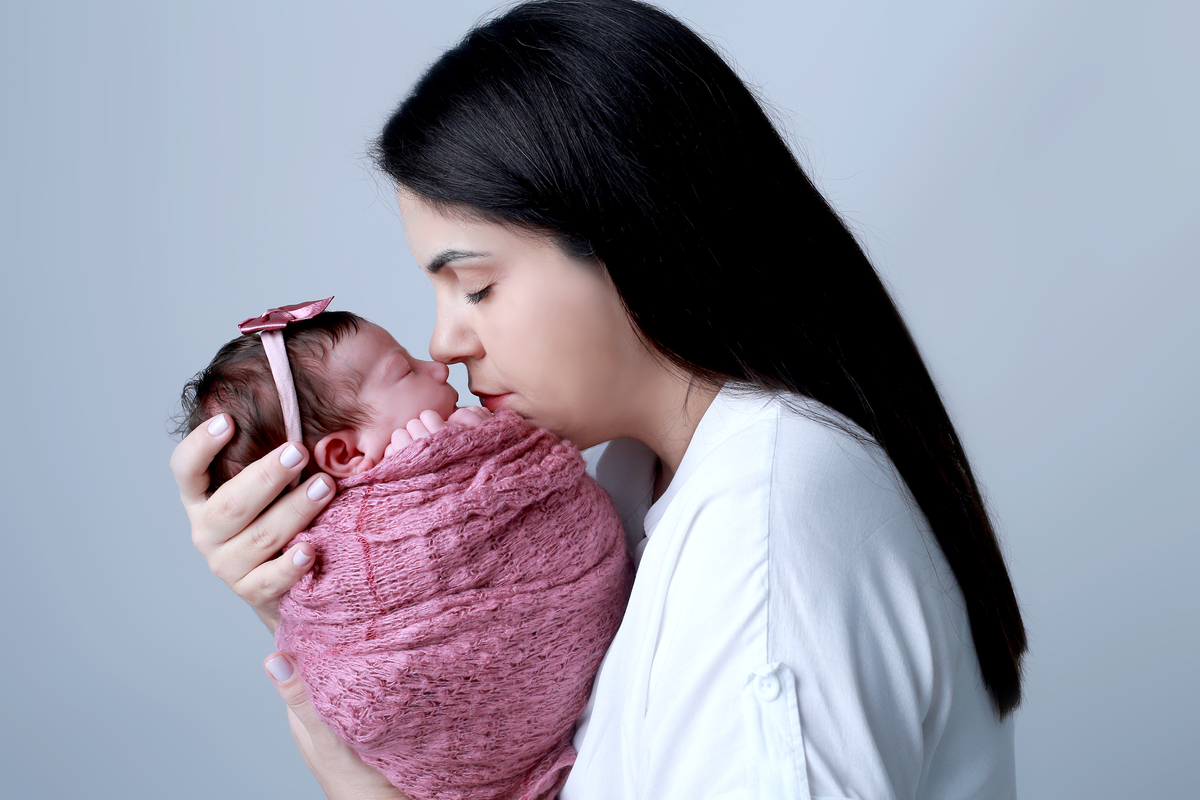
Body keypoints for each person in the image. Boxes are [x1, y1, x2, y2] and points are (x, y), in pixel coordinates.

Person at [170, 1, 1027, 798]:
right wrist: (312, 589)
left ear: (633, 237)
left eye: (474, 285)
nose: (445, 343)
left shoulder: (767, 523)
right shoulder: (627, 483)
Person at [176, 300, 632, 800]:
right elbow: (344, 627)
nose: (438, 364)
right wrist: (450, 463)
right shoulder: (329, 544)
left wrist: (461, 458)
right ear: (346, 455)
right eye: (406, 370)